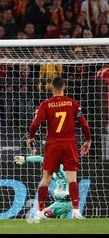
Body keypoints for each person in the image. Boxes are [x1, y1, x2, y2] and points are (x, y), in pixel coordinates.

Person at [27, 76, 91, 221]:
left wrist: (31, 137)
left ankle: (39, 213)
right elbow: (84, 124)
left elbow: (35, 124)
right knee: (72, 180)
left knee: (46, 180)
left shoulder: (46, 104)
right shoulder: (73, 103)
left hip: (53, 145)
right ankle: (75, 211)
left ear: (51, 88)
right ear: (64, 87)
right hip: (69, 144)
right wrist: (88, 140)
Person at [14, 153, 72, 219]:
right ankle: (66, 198)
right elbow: (42, 159)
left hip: (64, 195)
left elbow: (42, 159)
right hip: (61, 197)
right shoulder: (57, 166)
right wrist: (25, 158)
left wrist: (25, 158)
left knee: (60, 199)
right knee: (70, 203)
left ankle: (66, 197)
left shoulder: (62, 165)